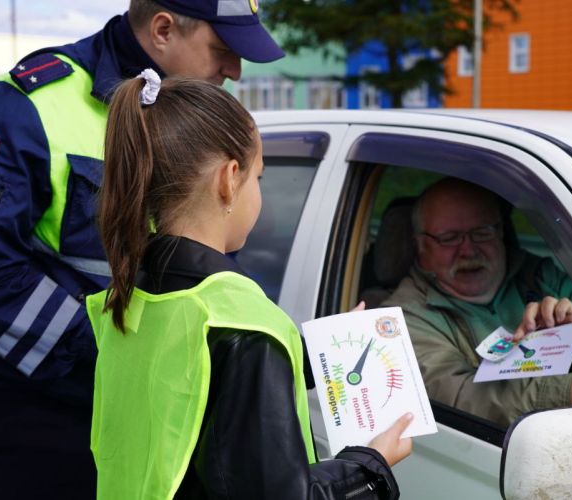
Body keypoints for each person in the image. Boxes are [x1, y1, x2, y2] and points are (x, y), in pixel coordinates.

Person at [0, 0, 285, 497]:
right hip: (50, 434)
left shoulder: (199, 123)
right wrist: (121, 361)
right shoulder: (28, 108)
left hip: (166, 420)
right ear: (163, 29)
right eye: (223, 49)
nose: (236, 69)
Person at [88, 74, 413, 499]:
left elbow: (197, 393)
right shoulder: (246, 328)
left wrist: (309, 354)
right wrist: (370, 466)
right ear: (229, 178)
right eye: (260, 177)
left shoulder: (130, 295)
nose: (259, 191)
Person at [382, 178, 572, 425]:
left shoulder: (544, 277)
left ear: (501, 232)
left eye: (481, 232)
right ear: (421, 246)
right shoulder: (397, 321)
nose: (468, 250)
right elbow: (461, 399)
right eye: (449, 238)